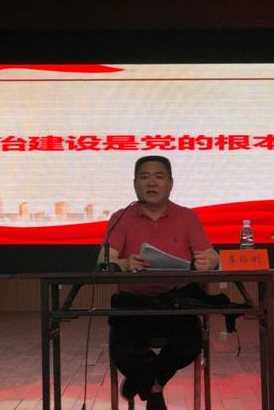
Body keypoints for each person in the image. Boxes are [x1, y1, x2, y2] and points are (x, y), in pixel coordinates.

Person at [98, 155, 219, 410]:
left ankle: (142, 382)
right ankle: (154, 390)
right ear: (135, 184)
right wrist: (124, 263)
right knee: (124, 351)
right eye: (144, 177)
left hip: (176, 302)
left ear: (170, 183)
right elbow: (104, 260)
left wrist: (210, 260)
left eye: (158, 177)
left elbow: (211, 255)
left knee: (190, 344)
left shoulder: (187, 217)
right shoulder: (121, 217)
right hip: (132, 304)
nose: (151, 183)